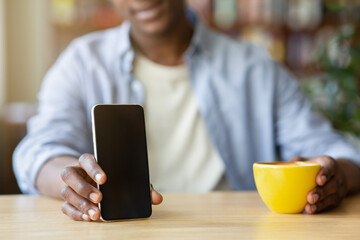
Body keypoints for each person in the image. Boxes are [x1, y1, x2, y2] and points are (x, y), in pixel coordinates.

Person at [14, 0, 360, 221]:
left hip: (234, 231)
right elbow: (38, 151)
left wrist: (338, 176)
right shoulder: (82, 62)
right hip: (119, 229)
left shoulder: (254, 67)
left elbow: (337, 151)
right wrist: (71, 178)